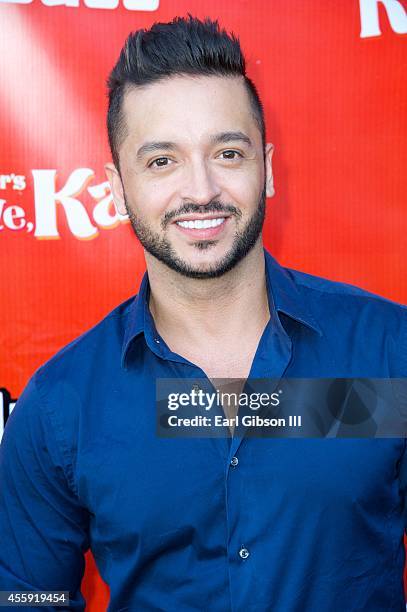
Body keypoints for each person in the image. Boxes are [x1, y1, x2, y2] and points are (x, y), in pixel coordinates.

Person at [0, 15, 406, 612]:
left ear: (265, 167)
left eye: (228, 152)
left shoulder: (387, 352)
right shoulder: (62, 407)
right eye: (161, 161)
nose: (201, 189)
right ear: (117, 189)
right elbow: (28, 599)